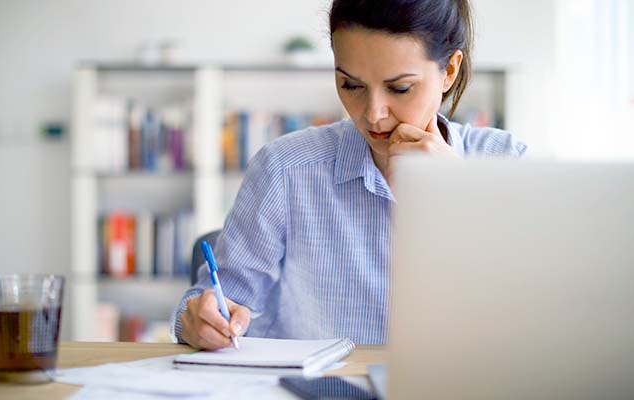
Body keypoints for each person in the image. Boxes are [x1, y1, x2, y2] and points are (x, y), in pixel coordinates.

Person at [172, 0, 527, 350]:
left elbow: (529, 321)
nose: (373, 114)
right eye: (351, 85)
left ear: (449, 70)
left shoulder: (506, 163)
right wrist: (198, 320)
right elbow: (218, 302)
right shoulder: (284, 168)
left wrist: (463, 198)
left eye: (399, 88)